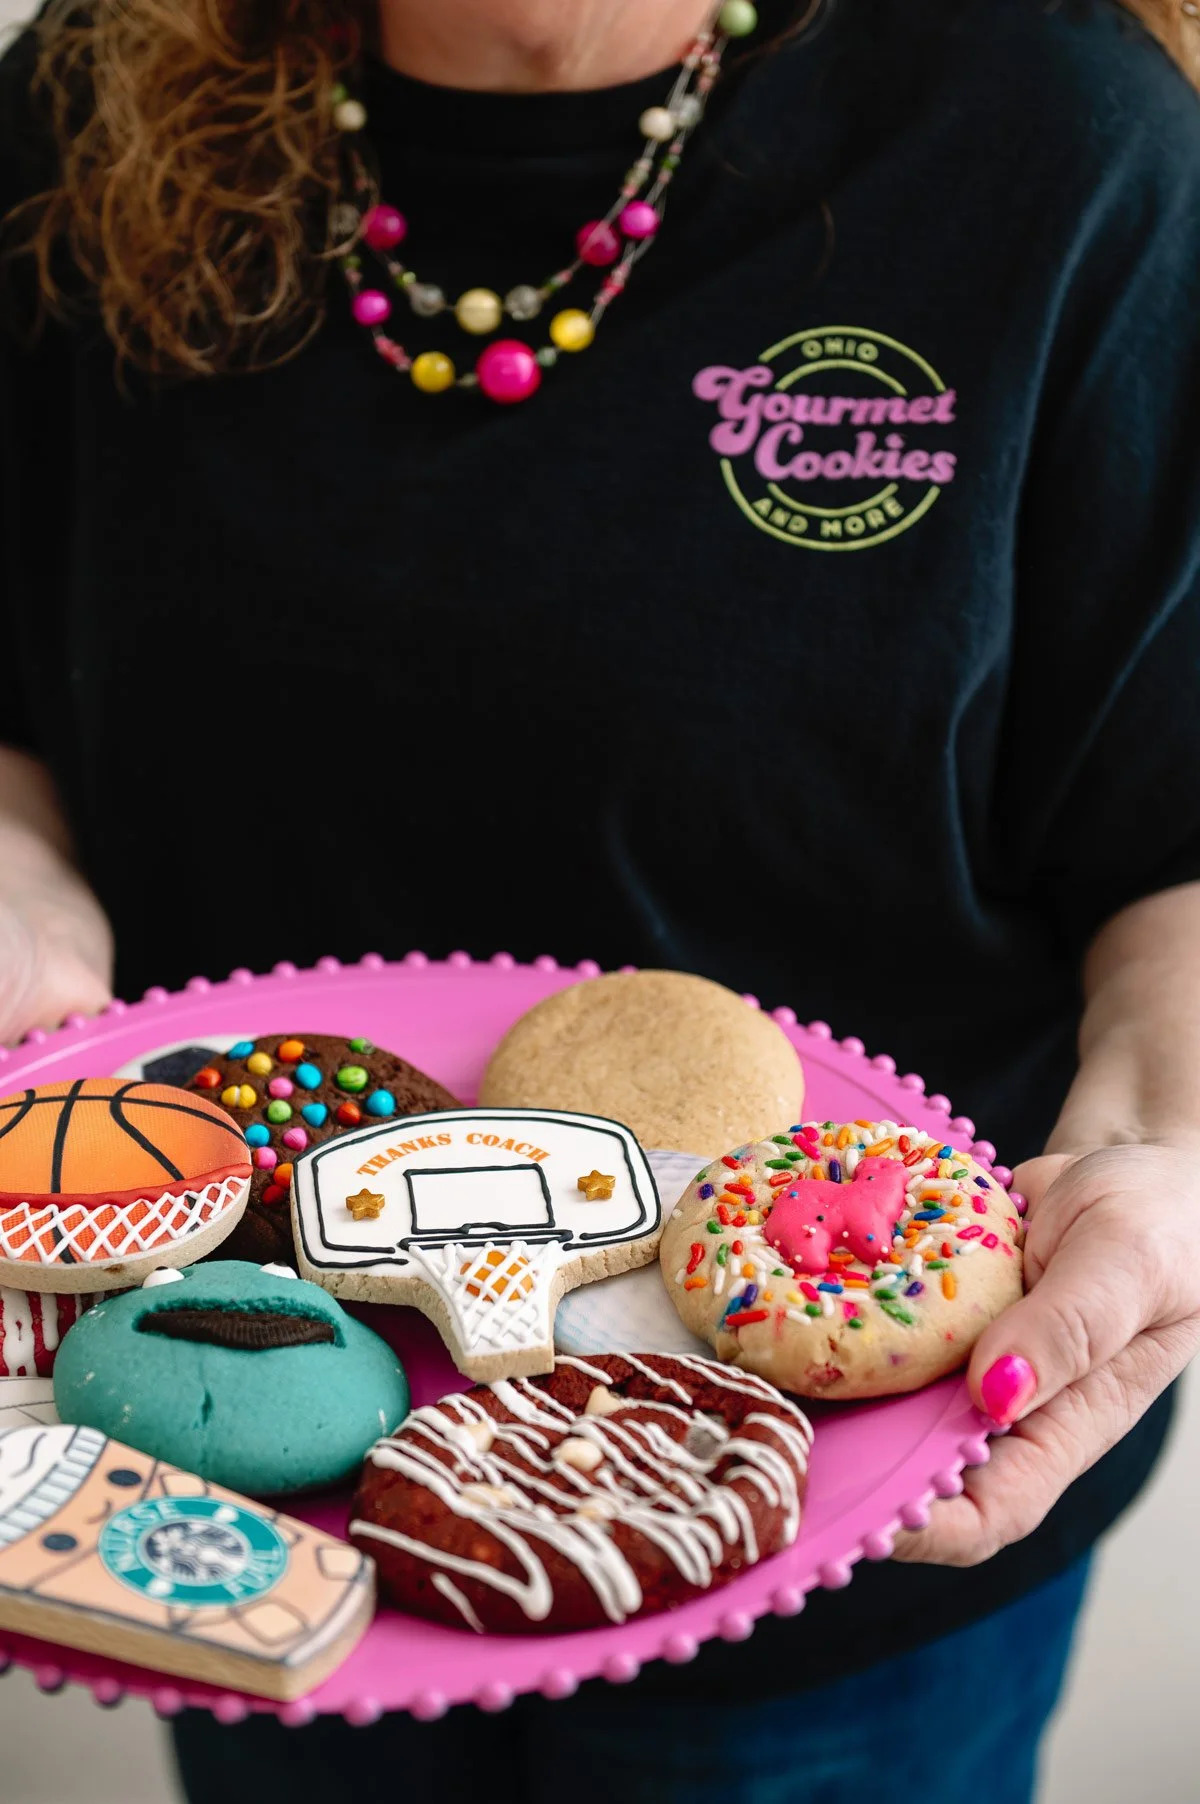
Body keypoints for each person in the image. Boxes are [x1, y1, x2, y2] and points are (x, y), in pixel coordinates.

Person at [2, 0, 1199, 1797]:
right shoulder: (96, 93)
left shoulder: (1053, 128)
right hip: (259, 1499)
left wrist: (1165, 1148)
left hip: (844, 1558)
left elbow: (1170, 824)